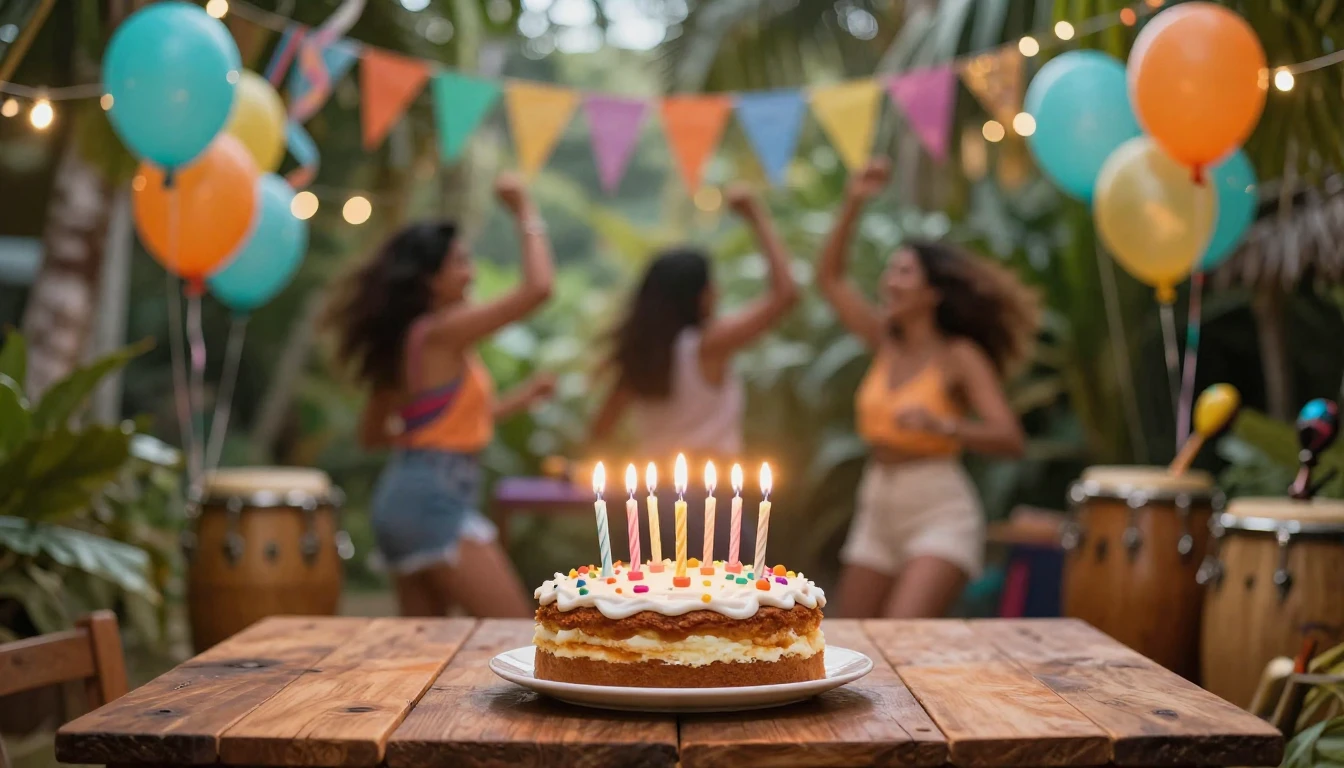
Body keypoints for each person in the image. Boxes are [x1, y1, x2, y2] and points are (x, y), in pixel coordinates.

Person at [326, 173, 554, 618]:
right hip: (435, 500)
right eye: (461, 263)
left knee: (425, 655)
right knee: (516, 634)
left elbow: (375, 434)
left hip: (405, 496)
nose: (470, 274)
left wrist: (522, 399)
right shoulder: (442, 334)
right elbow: (538, 290)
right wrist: (525, 210)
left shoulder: (409, 343)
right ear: (430, 280)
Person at [819, 158, 1038, 619]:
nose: (888, 282)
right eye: (890, 271)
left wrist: (944, 424)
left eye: (903, 273)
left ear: (931, 293)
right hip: (877, 502)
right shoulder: (884, 342)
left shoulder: (959, 356)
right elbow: (830, 280)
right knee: (848, 634)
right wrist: (854, 201)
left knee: (905, 639)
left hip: (937, 506)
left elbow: (1009, 438)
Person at [590, 184, 798, 560]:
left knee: (655, 609)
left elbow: (599, 430)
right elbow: (785, 295)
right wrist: (757, 217)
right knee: (729, 610)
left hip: (650, 503)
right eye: (712, 285)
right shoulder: (707, 345)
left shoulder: (641, 357)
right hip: (711, 501)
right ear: (699, 294)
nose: (717, 293)